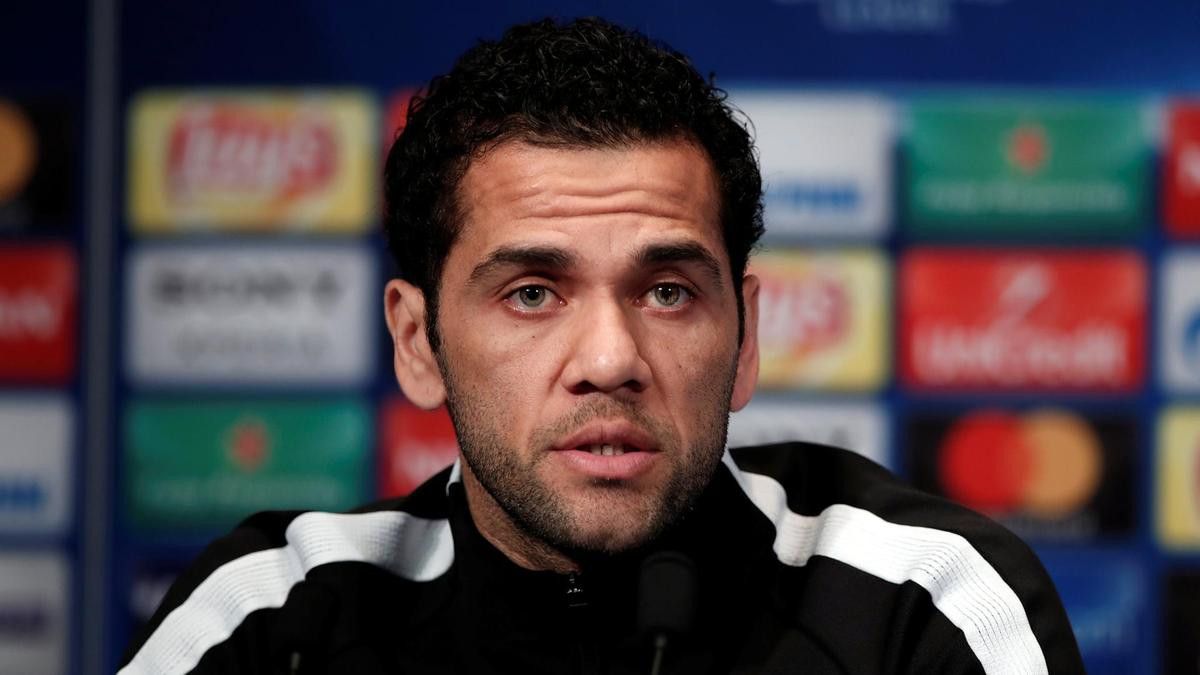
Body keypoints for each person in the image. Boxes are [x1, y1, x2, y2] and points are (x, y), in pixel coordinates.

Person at [120, 17, 1084, 675]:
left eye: (667, 291)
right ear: (418, 342)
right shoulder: (273, 617)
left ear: (745, 338)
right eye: (533, 293)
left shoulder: (921, 603)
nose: (611, 358)